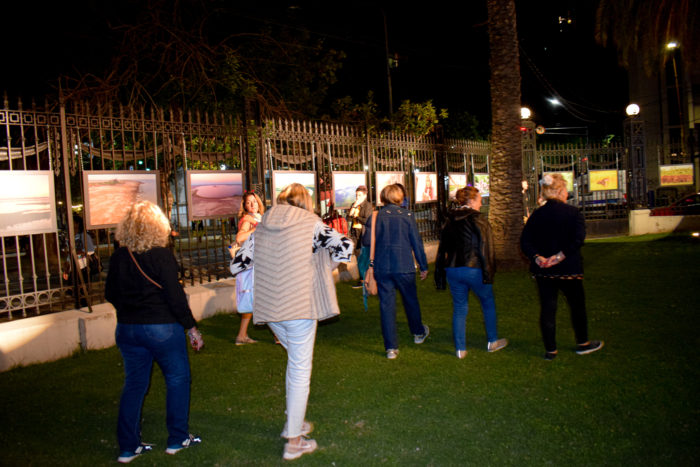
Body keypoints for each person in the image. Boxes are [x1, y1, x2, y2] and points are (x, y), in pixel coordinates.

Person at [230, 183, 353, 460]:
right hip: (300, 307)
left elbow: (237, 265)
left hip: (270, 310)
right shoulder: (312, 225)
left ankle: (294, 423)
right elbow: (345, 246)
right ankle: (294, 440)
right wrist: (325, 265)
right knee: (299, 370)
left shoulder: (262, 227)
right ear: (305, 203)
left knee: (295, 364)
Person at [105, 200, 204, 464]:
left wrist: (131, 309)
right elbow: (175, 297)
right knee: (177, 379)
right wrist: (191, 327)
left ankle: (128, 447)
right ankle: (177, 438)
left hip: (128, 328)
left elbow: (110, 293)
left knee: (134, 384)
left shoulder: (119, 257)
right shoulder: (161, 255)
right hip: (161, 327)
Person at [520, 173, 604, 360]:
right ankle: (583, 343)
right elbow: (578, 239)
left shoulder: (537, 215)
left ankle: (550, 350)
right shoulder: (573, 213)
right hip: (569, 269)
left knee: (548, 308)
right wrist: (559, 257)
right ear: (559, 191)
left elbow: (525, 241)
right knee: (577, 306)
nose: (567, 193)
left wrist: (537, 258)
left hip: (544, 271)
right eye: (565, 189)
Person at [435, 187, 508, 358]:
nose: (481, 203)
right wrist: (489, 272)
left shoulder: (450, 220)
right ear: (472, 201)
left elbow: (442, 247)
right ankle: (492, 341)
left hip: (453, 269)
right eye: (479, 200)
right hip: (474, 268)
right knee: (487, 302)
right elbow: (486, 246)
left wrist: (440, 273)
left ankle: (460, 349)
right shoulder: (478, 219)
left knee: (459, 307)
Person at [363, 184, 429, 360]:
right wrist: (423, 265)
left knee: (387, 306)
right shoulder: (407, 216)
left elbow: (367, 241)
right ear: (400, 198)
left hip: (383, 267)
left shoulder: (376, 216)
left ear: (384, 197)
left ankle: (391, 348)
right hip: (404, 266)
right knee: (411, 301)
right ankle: (418, 332)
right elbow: (416, 243)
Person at [229, 191, 265, 345]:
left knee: (255, 300)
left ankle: (242, 335)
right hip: (252, 265)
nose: (252, 204)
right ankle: (279, 335)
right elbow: (239, 238)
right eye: (249, 202)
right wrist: (256, 228)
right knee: (258, 298)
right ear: (244, 206)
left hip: (259, 262)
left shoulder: (258, 217)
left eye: (254, 201)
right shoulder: (248, 219)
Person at [347, 185, 373, 288]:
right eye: (356, 195)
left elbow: (367, 220)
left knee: (364, 257)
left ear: (365, 195)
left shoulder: (368, 206)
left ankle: (366, 279)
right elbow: (348, 218)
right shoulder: (354, 205)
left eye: (360, 195)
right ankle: (362, 279)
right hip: (355, 233)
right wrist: (354, 206)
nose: (357, 197)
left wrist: (357, 217)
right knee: (358, 257)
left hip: (364, 233)